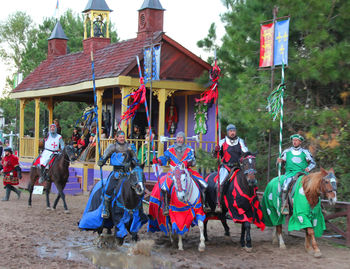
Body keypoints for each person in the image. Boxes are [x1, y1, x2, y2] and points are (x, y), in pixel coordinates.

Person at [153, 131, 208, 215]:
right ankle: (166, 207)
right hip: (173, 172)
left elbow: (193, 162)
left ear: (184, 139)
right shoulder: (170, 149)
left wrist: (187, 163)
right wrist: (158, 160)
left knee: (203, 184)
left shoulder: (189, 149)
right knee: (164, 187)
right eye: (178, 138)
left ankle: (204, 204)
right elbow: (164, 158)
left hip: (186, 171)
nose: (179, 140)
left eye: (181, 138)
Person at [98, 130, 139, 219]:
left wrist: (135, 161)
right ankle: (105, 209)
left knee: (136, 188)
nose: (122, 138)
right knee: (108, 189)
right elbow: (105, 157)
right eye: (120, 137)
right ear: (116, 137)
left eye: (123, 137)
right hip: (116, 173)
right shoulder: (112, 147)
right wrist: (101, 161)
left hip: (127, 173)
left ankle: (134, 207)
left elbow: (135, 158)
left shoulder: (129, 147)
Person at [277, 134, 316, 215]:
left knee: (314, 186)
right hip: (290, 174)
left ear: (300, 142)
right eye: (293, 140)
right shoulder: (286, 152)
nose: (294, 142)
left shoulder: (305, 152)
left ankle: (316, 205)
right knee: (285, 187)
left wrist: (308, 168)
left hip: (302, 174)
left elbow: (313, 163)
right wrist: (279, 162)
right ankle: (284, 206)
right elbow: (278, 164)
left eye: (296, 140)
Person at [213, 124, 249, 213]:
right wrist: (216, 150)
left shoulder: (240, 141)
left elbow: (246, 154)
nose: (232, 133)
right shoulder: (222, 142)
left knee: (248, 181)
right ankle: (219, 204)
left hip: (237, 167)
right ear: (227, 132)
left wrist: (243, 157)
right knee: (220, 183)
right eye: (230, 131)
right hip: (226, 167)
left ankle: (247, 203)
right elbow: (214, 156)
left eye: (234, 131)